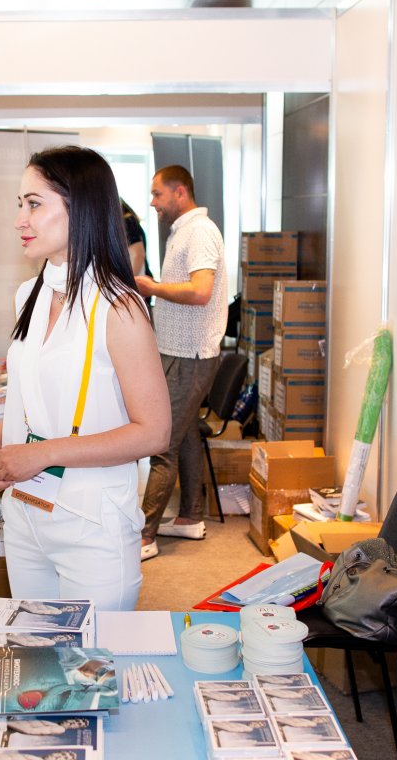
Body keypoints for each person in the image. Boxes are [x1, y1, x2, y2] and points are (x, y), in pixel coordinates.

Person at [0, 146, 171, 609]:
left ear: (79, 207)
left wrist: (41, 454)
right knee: (36, 648)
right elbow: (28, 400)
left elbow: (155, 432)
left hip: (92, 524)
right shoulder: (29, 294)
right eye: (20, 205)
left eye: (34, 204)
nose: (20, 220)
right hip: (25, 513)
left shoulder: (119, 307)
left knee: (93, 654)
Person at [134, 164, 229, 561]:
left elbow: (201, 291)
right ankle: (190, 517)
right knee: (185, 434)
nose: (152, 202)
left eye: (157, 194)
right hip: (178, 350)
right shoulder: (181, 232)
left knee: (162, 442)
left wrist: (152, 287)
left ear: (179, 192)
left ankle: (144, 536)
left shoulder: (200, 232)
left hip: (192, 354)